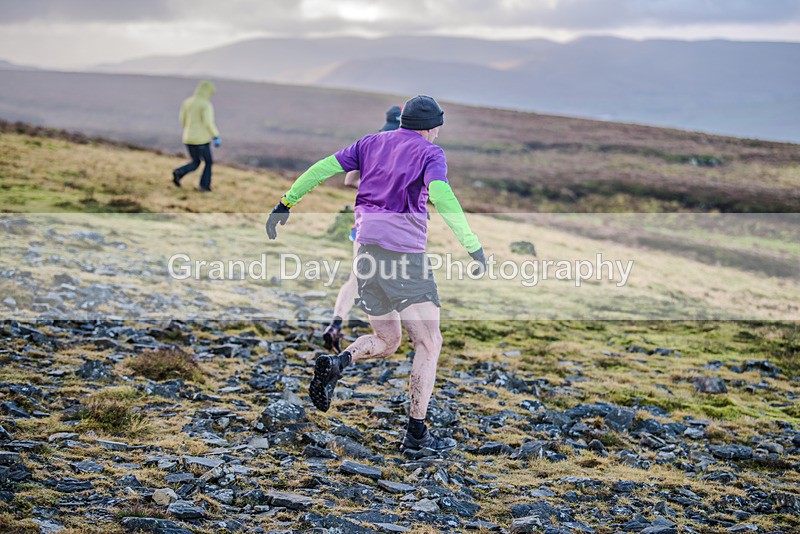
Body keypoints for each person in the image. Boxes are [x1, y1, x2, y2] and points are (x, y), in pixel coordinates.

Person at [266, 95, 486, 456]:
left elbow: (322, 168)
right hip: (404, 260)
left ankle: (338, 363)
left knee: (387, 340)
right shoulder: (431, 153)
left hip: (366, 254)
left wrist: (285, 204)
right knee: (429, 344)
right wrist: (473, 245)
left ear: (403, 121)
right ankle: (416, 436)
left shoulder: (370, 142)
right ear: (433, 127)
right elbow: (443, 196)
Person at [322, 104, 403, 353]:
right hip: (392, 230)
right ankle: (389, 336)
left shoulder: (370, 144)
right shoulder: (406, 148)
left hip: (364, 225)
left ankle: (336, 321)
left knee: (355, 278)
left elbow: (349, 180)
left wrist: (370, 183)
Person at [172, 80, 221, 192]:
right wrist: (216, 136)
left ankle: (179, 172)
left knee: (196, 162)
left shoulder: (188, 102)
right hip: (201, 140)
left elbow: (182, 119)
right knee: (208, 162)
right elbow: (208, 123)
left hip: (188, 137)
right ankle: (204, 186)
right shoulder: (205, 104)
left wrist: (188, 130)